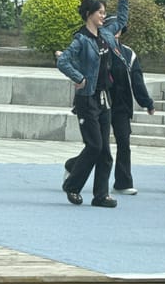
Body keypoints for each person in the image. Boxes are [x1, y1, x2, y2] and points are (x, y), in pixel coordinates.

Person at [56, 0, 128, 207]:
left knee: (105, 150)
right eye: (100, 12)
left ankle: (101, 195)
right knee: (94, 145)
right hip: (87, 98)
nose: (103, 16)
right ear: (89, 14)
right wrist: (79, 78)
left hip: (104, 97)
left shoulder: (105, 34)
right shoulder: (81, 40)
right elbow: (63, 61)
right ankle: (72, 186)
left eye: (105, 13)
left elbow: (122, 21)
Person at [61, 27, 155, 196]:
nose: (116, 33)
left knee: (123, 142)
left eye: (119, 30)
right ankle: (74, 167)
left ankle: (123, 182)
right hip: (100, 102)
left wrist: (146, 102)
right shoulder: (97, 49)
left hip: (121, 106)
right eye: (113, 29)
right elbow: (84, 72)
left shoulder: (128, 54)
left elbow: (137, 80)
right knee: (99, 146)